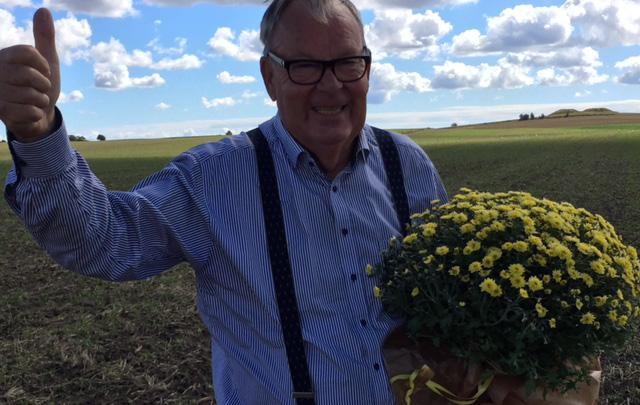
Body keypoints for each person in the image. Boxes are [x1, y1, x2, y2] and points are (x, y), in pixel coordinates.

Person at [1, 1, 447, 404]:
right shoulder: (213, 178)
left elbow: (451, 298)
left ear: (367, 69)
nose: (332, 86)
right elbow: (107, 242)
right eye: (305, 66)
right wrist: (38, 137)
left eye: (348, 63)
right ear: (269, 78)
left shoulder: (408, 164)